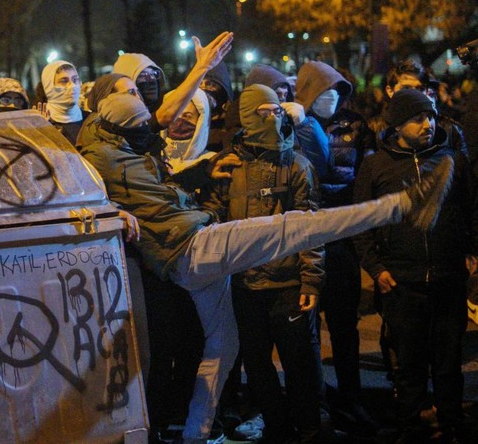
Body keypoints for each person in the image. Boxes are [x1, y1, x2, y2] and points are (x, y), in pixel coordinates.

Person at [79, 78, 455, 444]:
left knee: (223, 347)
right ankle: (402, 205)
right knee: (293, 228)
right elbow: (79, 196)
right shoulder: (99, 158)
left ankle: (196, 433)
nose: (151, 127)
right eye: (142, 123)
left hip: (194, 253)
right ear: (121, 126)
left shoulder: (128, 150)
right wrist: (111, 210)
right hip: (192, 248)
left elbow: (163, 191)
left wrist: (197, 174)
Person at [354, 89, 477, 444]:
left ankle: (452, 425)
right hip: (401, 282)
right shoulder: (377, 165)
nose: (429, 124)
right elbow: (361, 221)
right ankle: (409, 428)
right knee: (409, 365)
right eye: (418, 118)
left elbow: (471, 208)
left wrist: (472, 251)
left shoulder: (452, 159)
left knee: (448, 362)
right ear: (397, 125)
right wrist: (376, 268)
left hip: (448, 276)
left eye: (431, 116)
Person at [203, 84, 324, 443]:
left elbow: (311, 229)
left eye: (276, 111)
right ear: (246, 117)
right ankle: (278, 426)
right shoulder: (229, 165)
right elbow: (212, 216)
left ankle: (310, 428)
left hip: (287, 285)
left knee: (299, 364)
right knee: (257, 366)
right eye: (263, 112)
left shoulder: (297, 165)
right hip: (244, 286)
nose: (272, 118)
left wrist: (310, 280)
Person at [294, 60, 379, 434]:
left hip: (342, 234)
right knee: (306, 329)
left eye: (337, 91)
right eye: (323, 92)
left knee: (345, 326)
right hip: (305, 236)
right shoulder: (292, 123)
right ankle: (317, 402)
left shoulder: (356, 125)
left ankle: (351, 397)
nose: (331, 99)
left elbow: (365, 175)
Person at [40, 60, 85, 145]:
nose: (73, 86)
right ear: (49, 86)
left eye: (75, 80)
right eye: (64, 81)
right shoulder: (39, 123)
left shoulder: (89, 120)